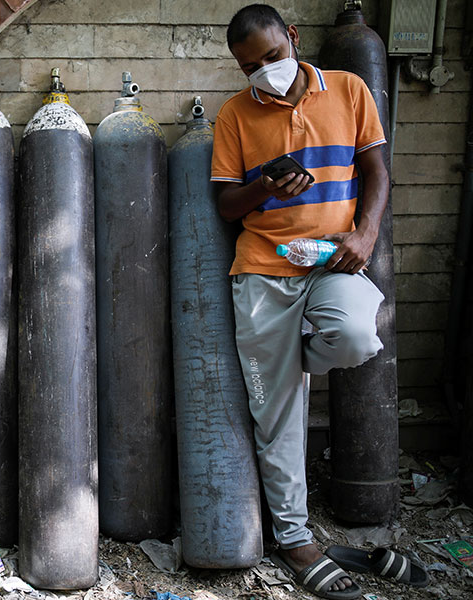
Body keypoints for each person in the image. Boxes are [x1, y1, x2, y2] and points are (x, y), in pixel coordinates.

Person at [210, 4, 390, 599]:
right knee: (277, 417)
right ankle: (295, 538)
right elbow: (227, 207)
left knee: (358, 334)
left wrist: (365, 233)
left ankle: (289, 363)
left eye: (272, 56)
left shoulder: (348, 88)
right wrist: (265, 183)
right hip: (264, 270)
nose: (264, 71)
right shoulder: (235, 116)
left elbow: (375, 170)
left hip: (333, 259)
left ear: (292, 37)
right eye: (250, 67)